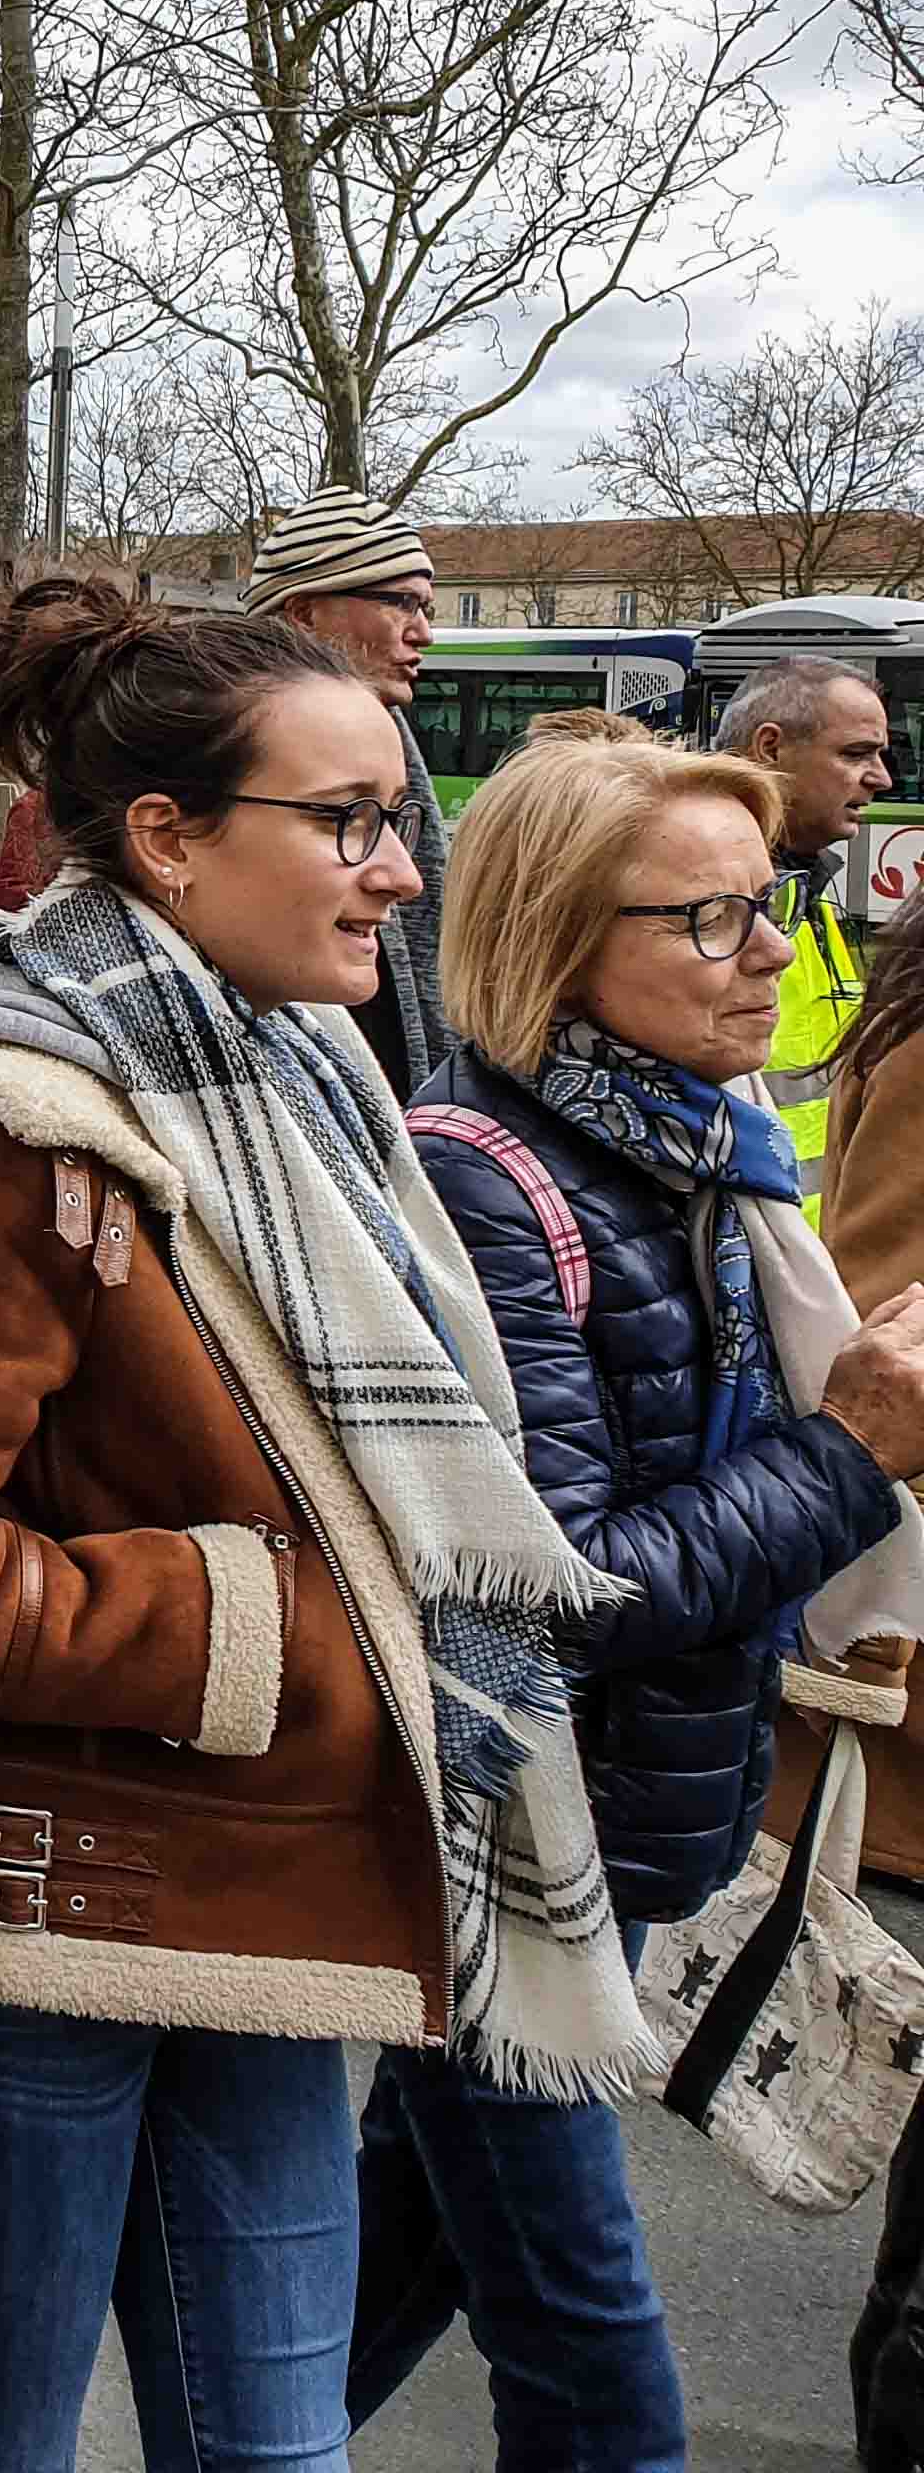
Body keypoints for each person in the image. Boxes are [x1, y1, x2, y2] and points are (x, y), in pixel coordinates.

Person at [0, 572, 654, 2473]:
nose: (397, 869)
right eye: (342, 820)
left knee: (271, 2448)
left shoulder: (306, 1076)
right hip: (21, 1915)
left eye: (396, 817)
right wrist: (261, 1620)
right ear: (166, 838)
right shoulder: (10, 1126)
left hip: (268, 1894)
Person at [355, 715, 924, 2467]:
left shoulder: (706, 1145)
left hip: (606, 1848)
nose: (770, 950)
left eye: (775, 901)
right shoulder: (486, 1172)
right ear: (551, 935)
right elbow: (570, 1581)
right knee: (605, 2389)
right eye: (708, 918)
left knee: (379, 2278)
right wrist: (852, 1449)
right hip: (506, 1857)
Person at [239, 487, 452, 1100]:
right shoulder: (220, 745)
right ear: (304, 613)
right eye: (401, 603)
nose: (425, 634)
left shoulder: (389, 730)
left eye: (427, 606)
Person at [714, 656, 892, 1218]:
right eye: (855, 753)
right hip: (746, 1255)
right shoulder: (709, 899)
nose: (881, 777)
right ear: (770, 748)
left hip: (803, 1253)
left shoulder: (803, 888)